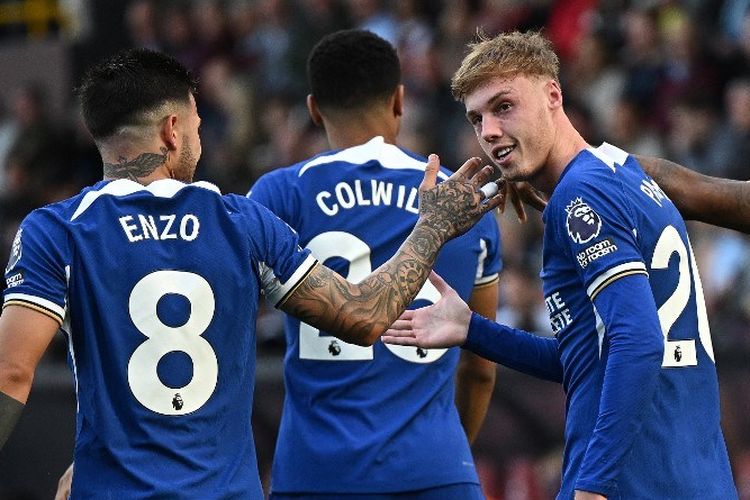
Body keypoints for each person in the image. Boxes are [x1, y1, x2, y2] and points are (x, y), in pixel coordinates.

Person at [0, 48, 503, 499]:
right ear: (173, 130)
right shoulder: (240, 222)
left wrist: (86, 462)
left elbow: (12, 371)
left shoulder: (55, 230)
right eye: (197, 124)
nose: (199, 137)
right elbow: (365, 315)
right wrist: (432, 227)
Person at [383, 31, 738, 500]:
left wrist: (593, 485)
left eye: (503, 106)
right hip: (695, 478)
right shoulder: (624, 173)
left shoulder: (580, 195)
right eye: (477, 118)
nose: (488, 130)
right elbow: (591, 357)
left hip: (633, 482)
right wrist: (472, 329)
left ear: (553, 95)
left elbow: (638, 341)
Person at [246, 29, 502, 499]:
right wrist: (445, 454)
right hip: (436, 470)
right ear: (399, 100)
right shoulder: (463, 198)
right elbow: (481, 363)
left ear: (314, 109)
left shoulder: (278, 195)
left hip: (317, 474)